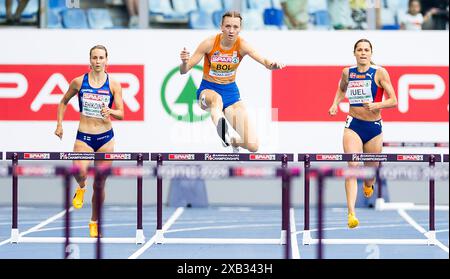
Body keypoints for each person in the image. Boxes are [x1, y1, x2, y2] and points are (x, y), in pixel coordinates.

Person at [179, 11, 284, 153]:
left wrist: (272, 65)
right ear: (221, 27)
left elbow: (264, 61)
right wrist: (184, 62)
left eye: (235, 27)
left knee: (253, 145)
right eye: (228, 26)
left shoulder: (242, 45)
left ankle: (232, 141)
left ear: (240, 29)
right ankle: (222, 132)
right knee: (217, 99)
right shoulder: (209, 43)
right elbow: (184, 70)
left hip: (231, 93)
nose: (231, 30)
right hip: (208, 90)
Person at [55, 45, 124, 237]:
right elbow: (63, 102)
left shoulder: (114, 84)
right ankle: (81, 187)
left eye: (101, 58)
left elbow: (122, 114)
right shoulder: (78, 82)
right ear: (90, 60)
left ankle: (94, 222)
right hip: (84, 136)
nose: (98, 61)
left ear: (106, 61)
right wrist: (59, 125)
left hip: (105, 138)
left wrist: (110, 111)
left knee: (100, 183)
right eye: (95, 58)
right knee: (80, 172)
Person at [328, 39, 397, 229]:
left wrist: (377, 105)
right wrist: (335, 104)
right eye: (360, 50)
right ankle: (351, 213)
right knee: (352, 165)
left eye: (366, 50)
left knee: (369, 173)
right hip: (353, 125)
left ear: (371, 53)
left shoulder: (380, 72)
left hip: (374, 128)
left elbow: (393, 100)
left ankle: (368, 185)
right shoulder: (347, 72)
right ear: (355, 53)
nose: (363, 53)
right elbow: (342, 88)